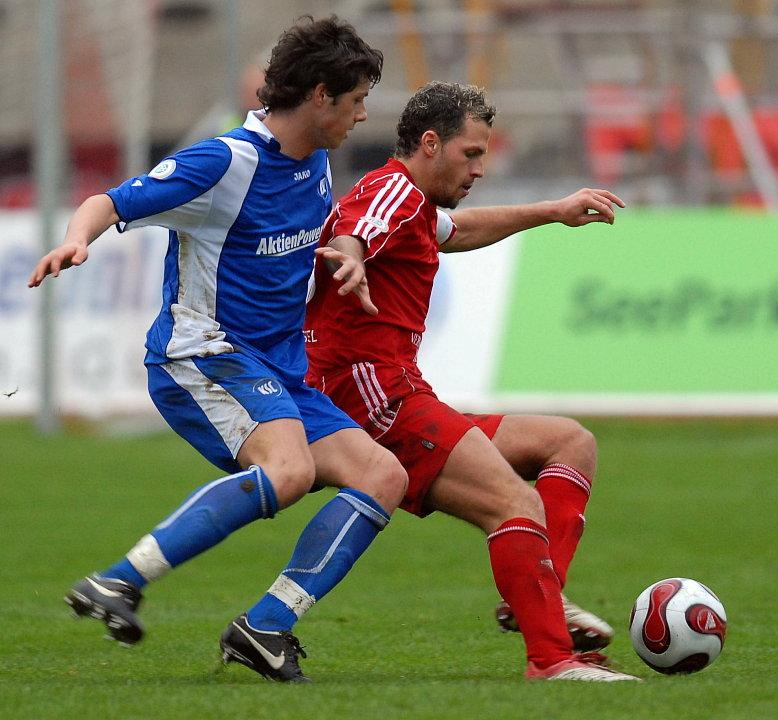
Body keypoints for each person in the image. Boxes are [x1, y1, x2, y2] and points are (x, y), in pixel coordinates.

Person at [27, 16, 409, 683]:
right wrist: (78, 238)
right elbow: (109, 201)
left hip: (279, 369)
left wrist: (346, 255)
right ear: (321, 96)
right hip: (202, 354)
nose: (363, 114)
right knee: (288, 472)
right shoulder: (225, 161)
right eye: (355, 102)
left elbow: (314, 235)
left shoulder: (315, 161)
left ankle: (266, 626)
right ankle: (117, 581)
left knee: (383, 477)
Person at [303, 81, 640, 681]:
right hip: (370, 394)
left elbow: (460, 232)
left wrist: (552, 211)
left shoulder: (414, 206)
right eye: (472, 154)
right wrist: (350, 255)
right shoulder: (391, 192)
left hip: (400, 390)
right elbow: (354, 229)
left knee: (569, 443)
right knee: (515, 502)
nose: (480, 168)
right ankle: (553, 660)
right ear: (430, 144)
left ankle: (537, 599)